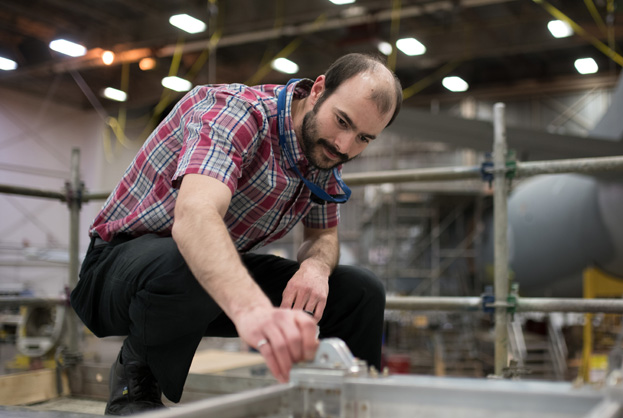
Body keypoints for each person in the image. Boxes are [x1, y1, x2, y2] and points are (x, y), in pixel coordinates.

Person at [70, 52, 403, 415]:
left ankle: (343, 406)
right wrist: (254, 311)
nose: (344, 145)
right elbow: (196, 216)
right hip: (119, 273)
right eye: (342, 121)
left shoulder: (321, 155)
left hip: (203, 289)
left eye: (363, 139)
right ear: (319, 89)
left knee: (360, 290)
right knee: (189, 257)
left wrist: (316, 269)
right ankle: (134, 384)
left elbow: (322, 237)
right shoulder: (235, 113)